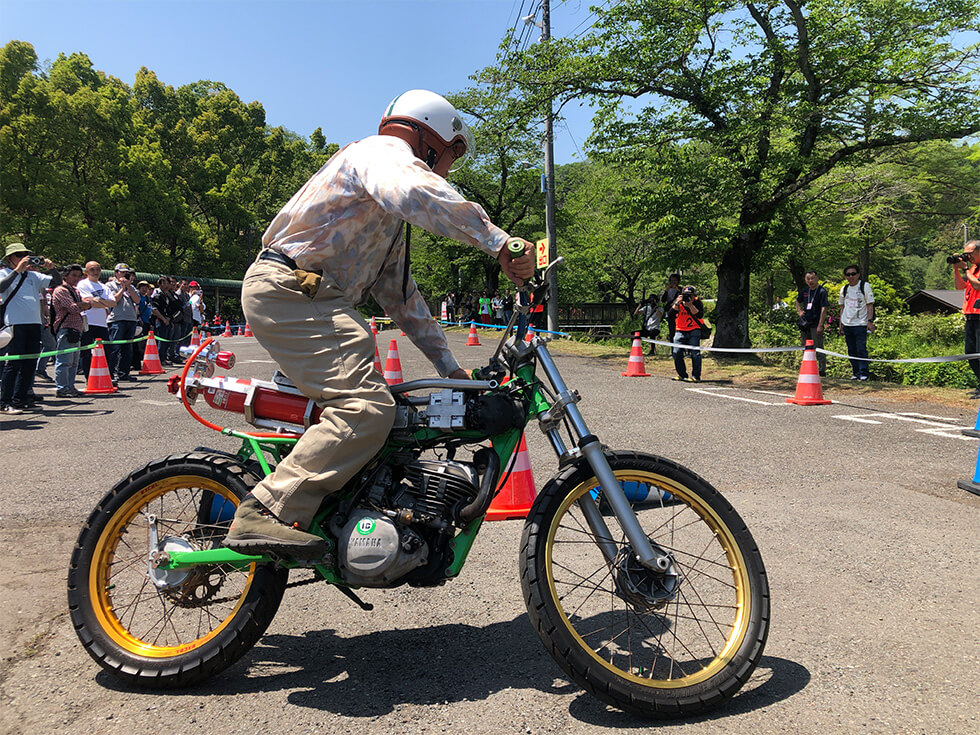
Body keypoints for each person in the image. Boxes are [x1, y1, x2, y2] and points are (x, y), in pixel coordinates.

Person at [222, 89, 533, 556]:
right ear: (428, 139)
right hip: (294, 290)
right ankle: (265, 511)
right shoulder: (381, 154)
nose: (446, 170)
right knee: (367, 408)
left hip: (307, 297)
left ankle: (346, 513)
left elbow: (400, 296)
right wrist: (499, 242)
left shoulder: (381, 215)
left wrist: (449, 367)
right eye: (450, 156)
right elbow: (416, 191)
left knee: (394, 413)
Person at [0, 243, 61, 414]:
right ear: (10, 259)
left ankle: (21, 398)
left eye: (25, 255)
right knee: (13, 363)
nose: (23, 258)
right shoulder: (4, 273)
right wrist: (17, 270)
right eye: (18, 255)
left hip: (34, 323)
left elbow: (56, 283)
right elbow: (1, 287)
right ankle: (5, 400)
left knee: (29, 362)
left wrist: (51, 268)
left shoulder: (33, 275)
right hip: (14, 323)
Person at [50, 264, 94, 397]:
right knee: (64, 361)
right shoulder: (60, 290)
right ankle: (62, 388)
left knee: (74, 362)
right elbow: (73, 308)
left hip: (77, 329)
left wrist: (84, 304)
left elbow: (88, 305)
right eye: (73, 275)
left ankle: (70, 387)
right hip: (66, 329)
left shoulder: (75, 291)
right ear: (65, 275)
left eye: (78, 276)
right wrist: (83, 304)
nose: (76, 278)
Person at [104, 263, 141, 384]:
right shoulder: (110, 285)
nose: (125, 275)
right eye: (122, 272)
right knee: (114, 348)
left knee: (127, 349)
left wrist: (129, 287)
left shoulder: (132, 286)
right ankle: (109, 374)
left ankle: (123, 373)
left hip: (130, 319)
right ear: (116, 273)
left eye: (127, 273)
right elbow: (113, 300)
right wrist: (122, 288)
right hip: (117, 319)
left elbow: (137, 300)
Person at [837, 264, 875, 381]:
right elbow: (842, 307)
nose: (851, 276)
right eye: (848, 274)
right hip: (847, 323)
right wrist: (841, 324)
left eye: (853, 274)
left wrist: (869, 321)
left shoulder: (865, 286)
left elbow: (870, 305)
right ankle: (856, 372)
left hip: (861, 323)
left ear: (858, 275)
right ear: (845, 276)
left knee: (861, 349)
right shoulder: (844, 289)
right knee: (851, 349)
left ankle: (864, 373)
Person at [952, 240, 980, 398]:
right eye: (965, 255)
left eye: (970, 254)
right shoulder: (973, 268)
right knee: (970, 352)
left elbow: (977, 285)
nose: (967, 257)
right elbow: (959, 286)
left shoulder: (972, 270)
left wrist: (965, 269)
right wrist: (956, 270)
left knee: (979, 352)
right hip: (970, 315)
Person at [76, 261, 112, 380]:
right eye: (92, 269)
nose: (95, 272)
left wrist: (98, 301)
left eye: (97, 269)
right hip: (88, 321)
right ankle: (89, 377)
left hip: (102, 323)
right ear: (86, 272)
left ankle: (107, 376)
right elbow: (88, 302)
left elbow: (113, 303)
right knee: (86, 352)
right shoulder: (83, 284)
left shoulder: (104, 286)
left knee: (106, 350)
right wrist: (103, 303)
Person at [795, 270, 830, 376]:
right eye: (808, 279)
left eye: (812, 278)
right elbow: (797, 300)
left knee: (818, 346)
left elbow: (824, 308)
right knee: (805, 346)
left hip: (816, 323)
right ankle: (808, 367)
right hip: (805, 323)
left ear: (817, 279)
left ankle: (821, 369)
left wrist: (820, 324)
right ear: (806, 280)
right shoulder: (805, 291)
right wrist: (799, 311)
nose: (811, 281)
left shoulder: (821, 291)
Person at [669, 285, 705, 383]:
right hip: (680, 330)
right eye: (685, 295)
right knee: (676, 352)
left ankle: (695, 376)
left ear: (694, 296)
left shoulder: (697, 303)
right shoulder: (679, 303)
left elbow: (699, 315)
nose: (688, 297)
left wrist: (690, 305)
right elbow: (670, 314)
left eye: (690, 295)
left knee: (695, 353)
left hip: (694, 330)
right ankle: (682, 374)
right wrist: (677, 302)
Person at [660, 273, 682, 343]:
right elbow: (663, 300)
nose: (673, 282)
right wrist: (666, 290)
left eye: (675, 280)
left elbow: (684, 298)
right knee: (671, 331)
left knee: (680, 331)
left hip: (679, 312)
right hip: (670, 312)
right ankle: (673, 350)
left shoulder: (681, 289)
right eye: (672, 281)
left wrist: (678, 290)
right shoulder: (668, 290)